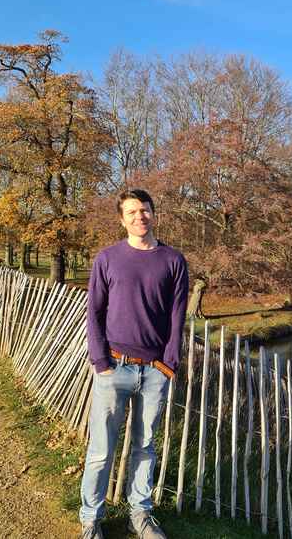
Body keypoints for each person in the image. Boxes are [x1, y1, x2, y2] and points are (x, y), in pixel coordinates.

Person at [80, 189, 188, 539]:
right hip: (114, 367)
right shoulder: (108, 258)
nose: (139, 217)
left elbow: (177, 315)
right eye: (131, 212)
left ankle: (139, 514)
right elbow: (94, 311)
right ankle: (90, 519)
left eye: (144, 210)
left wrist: (169, 362)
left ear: (154, 213)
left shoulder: (173, 260)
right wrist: (100, 360)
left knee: (145, 446)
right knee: (101, 449)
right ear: (121, 218)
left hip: (155, 370)